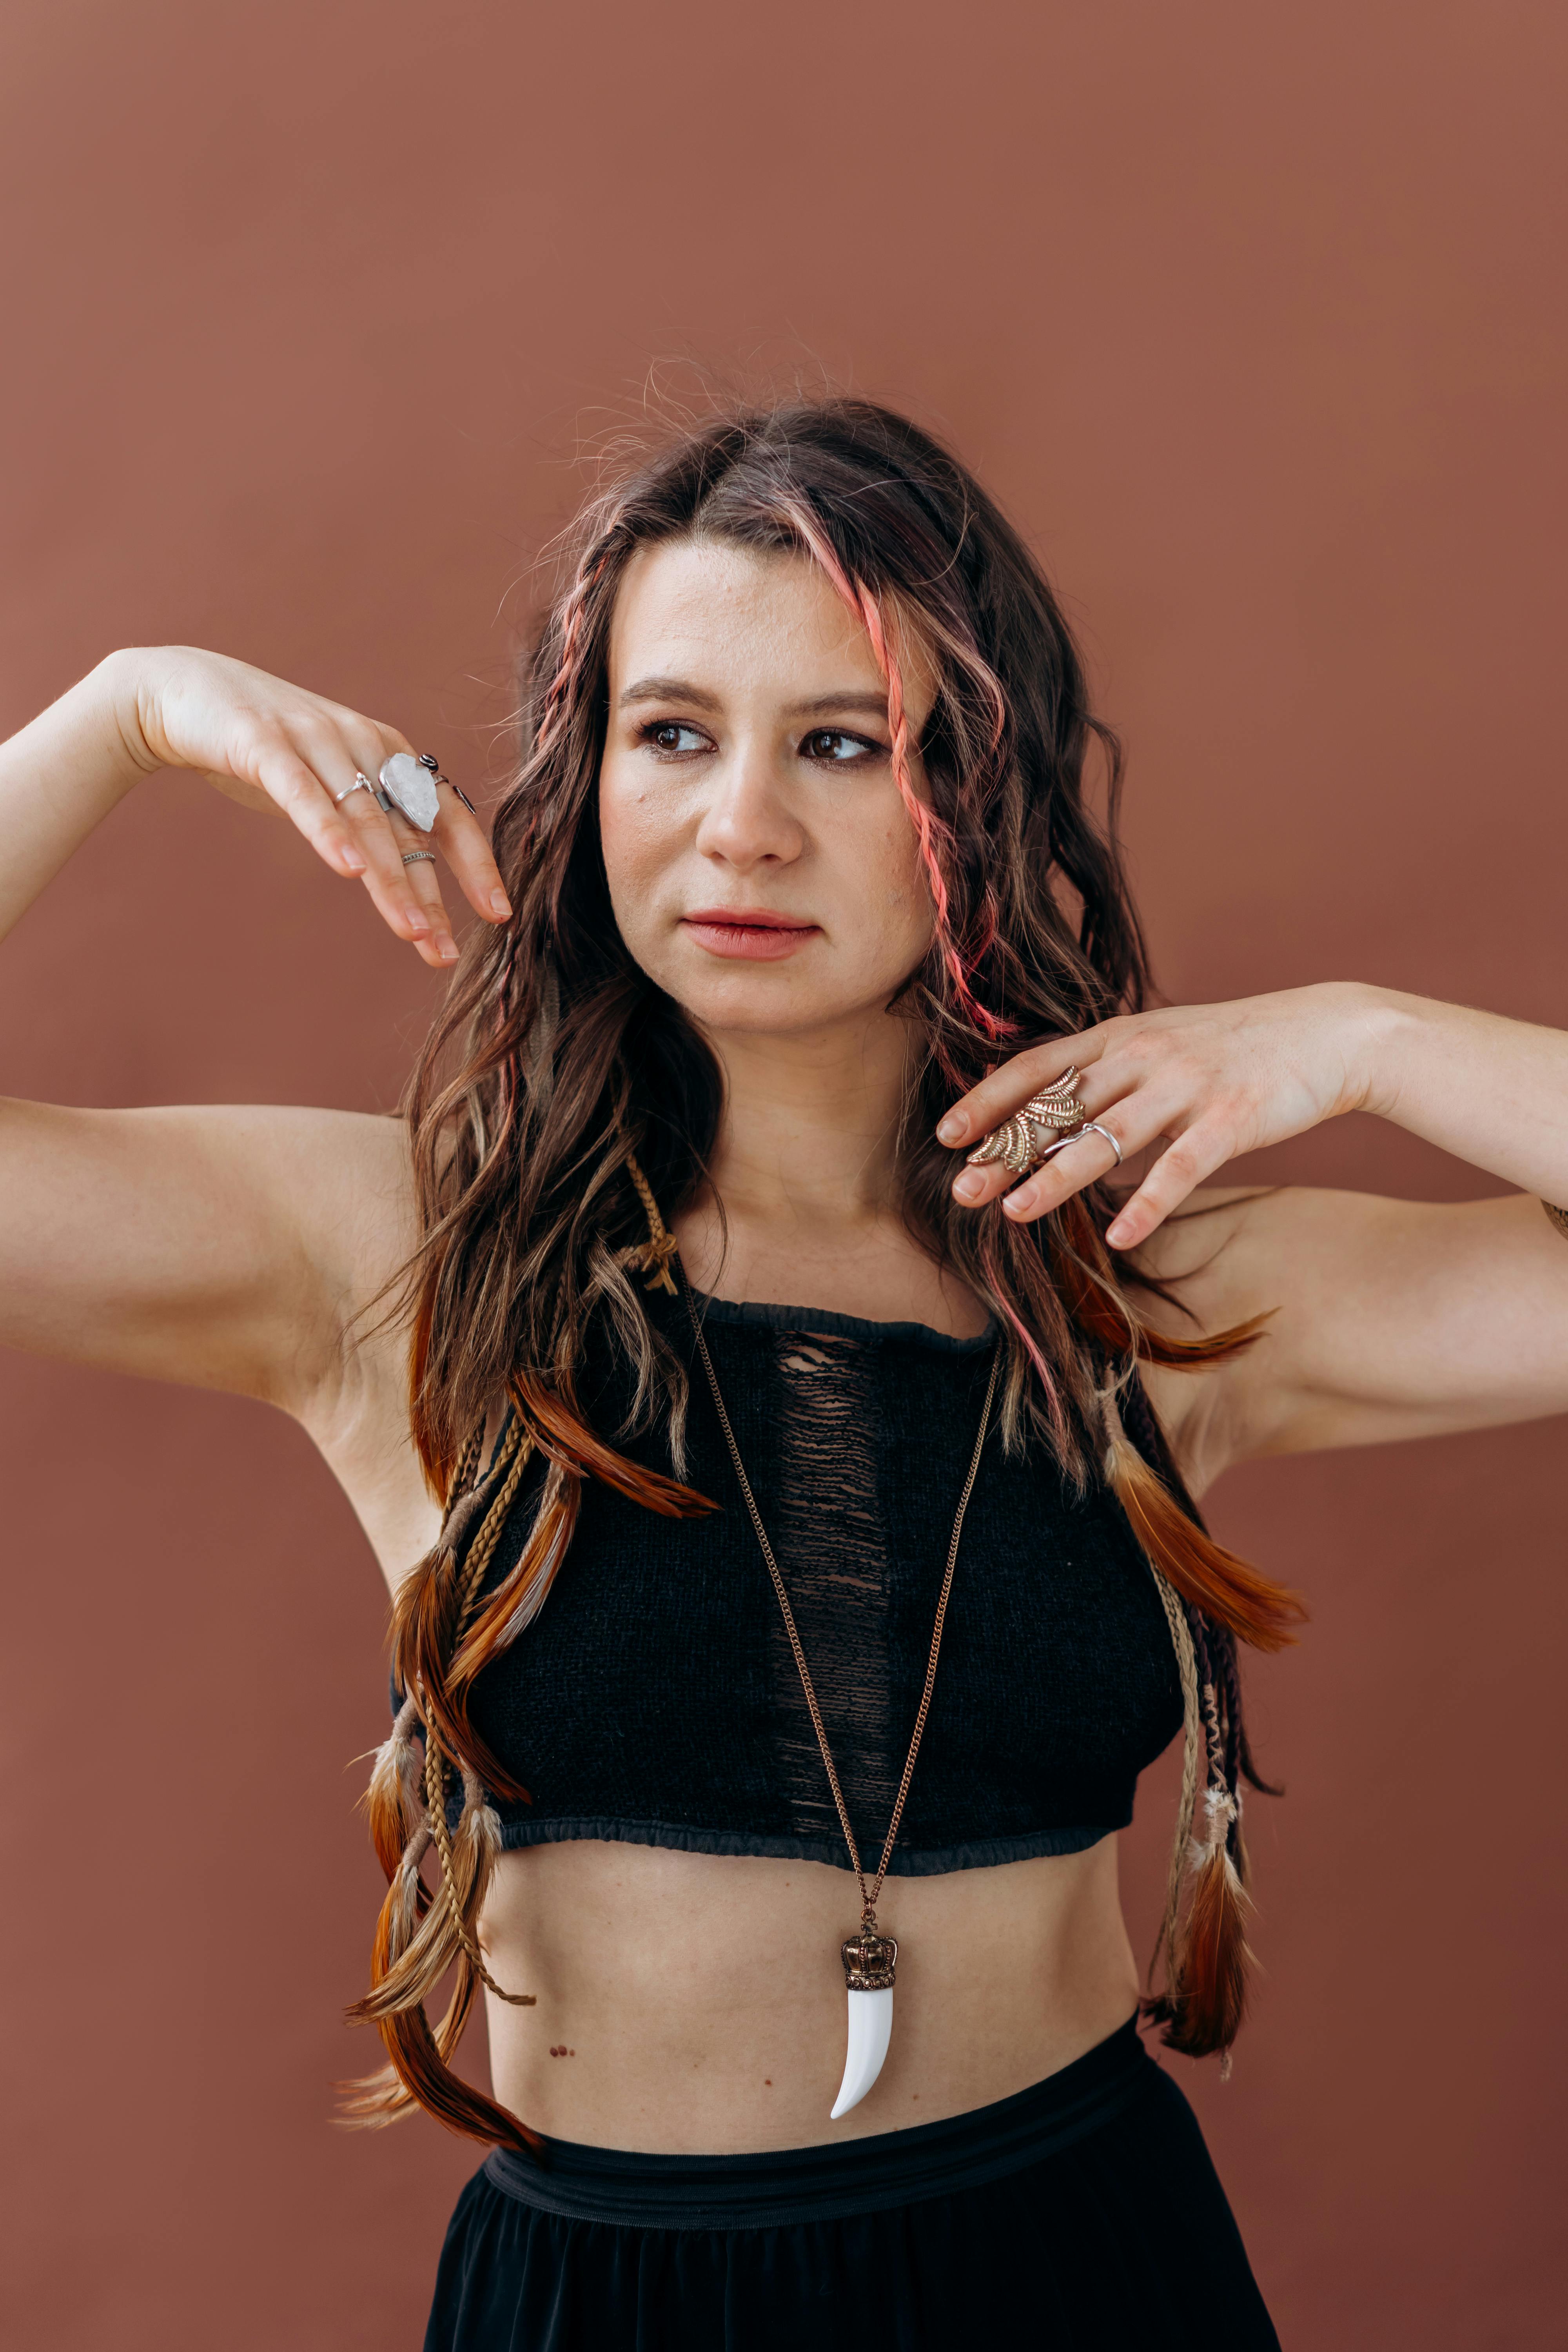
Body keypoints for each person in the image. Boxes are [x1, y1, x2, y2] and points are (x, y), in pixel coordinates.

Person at [4, 400, 1564, 2351]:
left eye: (841, 743)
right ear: (589, 783)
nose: (740, 820)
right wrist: (125, 712)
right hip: (610, 2295)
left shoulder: (1145, 1282)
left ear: (975, 797)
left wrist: (1365, 1039)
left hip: (1077, 2262)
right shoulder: (398, 1256)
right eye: (672, 734)